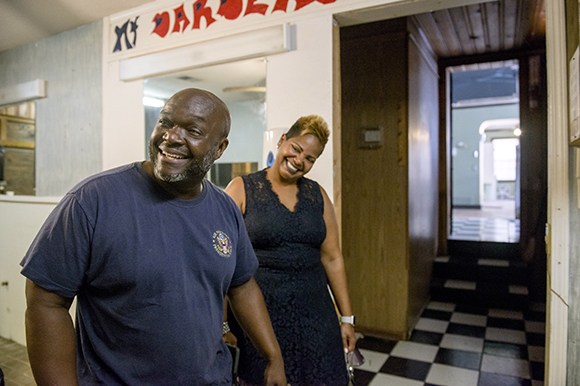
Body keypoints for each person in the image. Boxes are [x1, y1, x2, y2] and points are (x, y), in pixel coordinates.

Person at [20, 88, 287, 386]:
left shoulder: (225, 209)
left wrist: (272, 356)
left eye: (193, 130)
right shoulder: (92, 201)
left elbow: (243, 286)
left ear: (220, 148)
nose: (171, 136)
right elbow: (45, 302)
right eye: (165, 122)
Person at [224, 115, 356, 386]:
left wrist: (347, 318)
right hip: (259, 320)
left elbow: (332, 258)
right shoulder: (241, 189)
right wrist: (222, 325)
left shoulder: (317, 195)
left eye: (310, 158)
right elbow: (222, 265)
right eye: (296, 149)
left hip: (316, 319)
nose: (299, 161)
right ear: (283, 141)